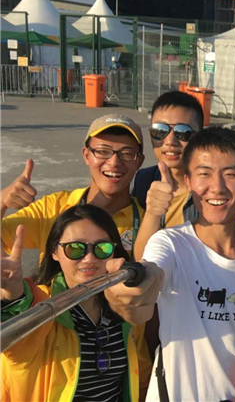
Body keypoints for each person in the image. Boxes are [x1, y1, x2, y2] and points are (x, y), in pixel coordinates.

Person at [140, 127, 235, 401]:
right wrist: (136, 284)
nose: (217, 187)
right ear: (188, 180)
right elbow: (151, 273)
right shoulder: (170, 244)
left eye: (230, 174)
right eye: (204, 173)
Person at [1, 204, 152, 402]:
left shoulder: (124, 305)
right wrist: (13, 294)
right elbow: (18, 333)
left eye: (102, 248)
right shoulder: (44, 306)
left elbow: (142, 376)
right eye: (75, 248)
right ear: (54, 252)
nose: (89, 258)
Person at [1, 114, 145, 260]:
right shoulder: (53, 207)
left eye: (127, 154)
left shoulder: (147, 222)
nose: (114, 162)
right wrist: (2, 200)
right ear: (86, 155)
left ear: (139, 161)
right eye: (103, 151)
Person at [132, 91, 205, 261]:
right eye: (160, 130)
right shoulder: (142, 181)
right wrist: (153, 213)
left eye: (183, 132)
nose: (170, 141)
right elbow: (141, 260)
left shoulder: (212, 189)